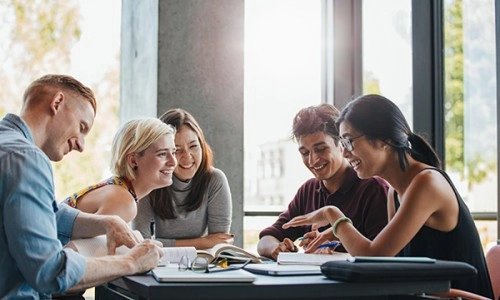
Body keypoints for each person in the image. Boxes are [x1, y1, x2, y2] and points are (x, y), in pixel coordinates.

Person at [283, 94, 493, 298]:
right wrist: (337, 233)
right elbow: (389, 262)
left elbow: (373, 257)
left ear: (383, 140)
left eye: (349, 142)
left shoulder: (426, 183)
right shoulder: (395, 191)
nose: (345, 153)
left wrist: (333, 215)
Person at [0, 74, 164, 299]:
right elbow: (50, 272)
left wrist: (107, 222)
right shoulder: (26, 158)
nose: (81, 145)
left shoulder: (7, 147)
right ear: (57, 103)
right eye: (82, 126)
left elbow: (39, 215)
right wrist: (130, 262)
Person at [257, 103, 389, 260]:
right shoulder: (308, 190)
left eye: (320, 149)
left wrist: (332, 252)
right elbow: (266, 239)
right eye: (305, 153)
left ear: (341, 144)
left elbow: (380, 257)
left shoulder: (374, 189)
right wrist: (276, 248)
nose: (312, 160)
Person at [132, 108, 233, 249]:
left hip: (203, 263)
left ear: (202, 146)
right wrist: (202, 242)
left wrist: (164, 243)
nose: (187, 156)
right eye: (177, 150)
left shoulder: (215, 180)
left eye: (193, 146)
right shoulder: (149, 181)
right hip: (160, 263)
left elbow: (219, 242)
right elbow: (141, 243)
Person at [61, 117, 177, 223]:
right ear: (133, 161)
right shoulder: (123, 202)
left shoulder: (120, 189)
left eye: (173, 152)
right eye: (162, 154)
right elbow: (78, 245)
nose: (173, 162)